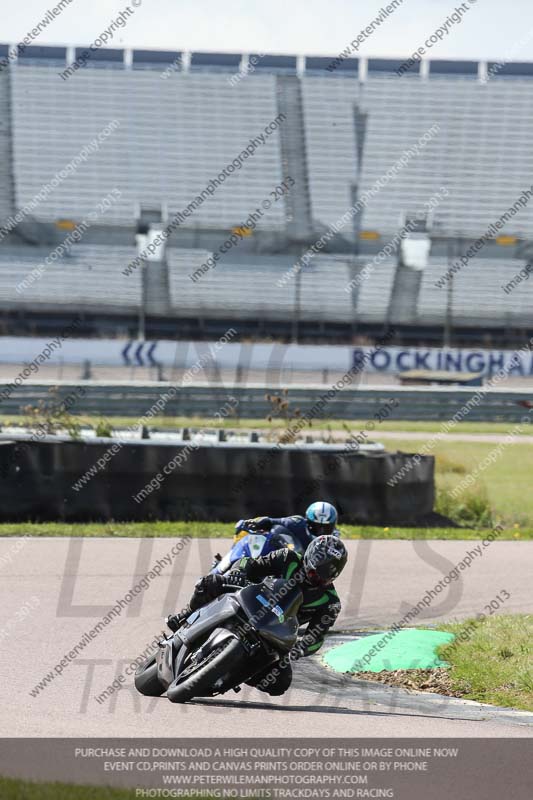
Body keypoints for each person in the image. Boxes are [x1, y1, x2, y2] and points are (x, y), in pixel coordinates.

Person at [166, 535, 348, 697]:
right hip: (249, 601)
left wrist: (299, 648)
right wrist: (238, 572)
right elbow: (249, 562)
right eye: (313, 572)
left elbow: (316, 638)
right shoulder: (287, 557)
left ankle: (232, 673)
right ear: (308, 558)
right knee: (210, 582)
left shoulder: (330, 603)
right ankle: (185, 615)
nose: (315, 578)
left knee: (280, 682)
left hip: (273, 635)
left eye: (323, 578)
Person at [235, 501, 340, 552]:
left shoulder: (335, 539)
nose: (321, 532)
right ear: (307, 522)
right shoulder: (297, 523)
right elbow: (270, 521)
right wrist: (254, 523)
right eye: (316, 526)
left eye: (326, 528)